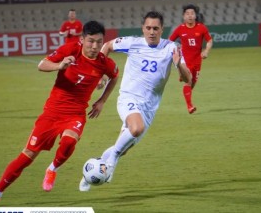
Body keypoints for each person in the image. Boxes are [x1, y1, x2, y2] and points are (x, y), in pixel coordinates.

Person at [0, 21, 119, 207]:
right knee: (27, 155)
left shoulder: (105, 63)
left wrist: (102, 101)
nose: (95, 46)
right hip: (52, 112)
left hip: (76, 113)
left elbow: (114, 77)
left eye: (99, 42)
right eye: (91, 41)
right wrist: (59, 66)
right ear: (82, 39)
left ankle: (53, 168)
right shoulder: (70, 49)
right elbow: (41, 64)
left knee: (69, 141)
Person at [79, 11, 191, 192]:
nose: (152, 32)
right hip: (128, 98)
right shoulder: (133, 43)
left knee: (124, 147)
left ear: (162, 29)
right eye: (148, 28)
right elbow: (107, 46)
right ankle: (111, 161)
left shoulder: (171, 48)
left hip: (149, 108)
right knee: (135, 129)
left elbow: (188, 79)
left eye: (156, 28)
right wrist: (100, 74)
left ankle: (92, 173)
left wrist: (178, 64)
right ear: (143, 29)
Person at [169, 4, 213, 114]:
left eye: (192, 13)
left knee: (191, 84)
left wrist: (206, 51)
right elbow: (169, 42)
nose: (190, 16)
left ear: (195, 15)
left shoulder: (201, 28)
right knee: (189, 81)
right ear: (184, 16)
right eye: (187, 14)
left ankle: (183, 76)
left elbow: (209, 40)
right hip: (184, 59)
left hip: (197, 61)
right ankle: (190, 106)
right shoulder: (180, 29)